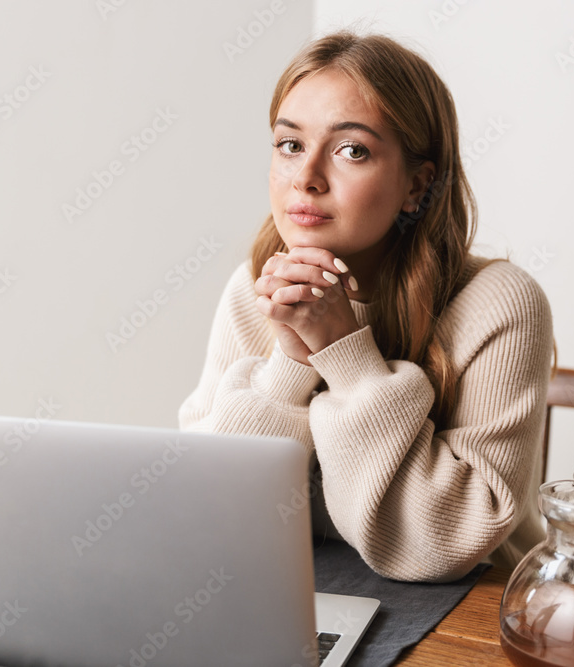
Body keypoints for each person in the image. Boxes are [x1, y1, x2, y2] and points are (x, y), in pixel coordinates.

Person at [179, 31, 553, 583]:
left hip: (471, 613)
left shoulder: (499, 304)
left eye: (351, 150)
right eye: (290, 145)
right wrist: (291, 363)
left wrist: (343, 352)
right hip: (306, 593)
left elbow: (447, 544)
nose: (306, 179)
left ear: (417, 187)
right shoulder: (253, 288)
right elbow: (205, 514)